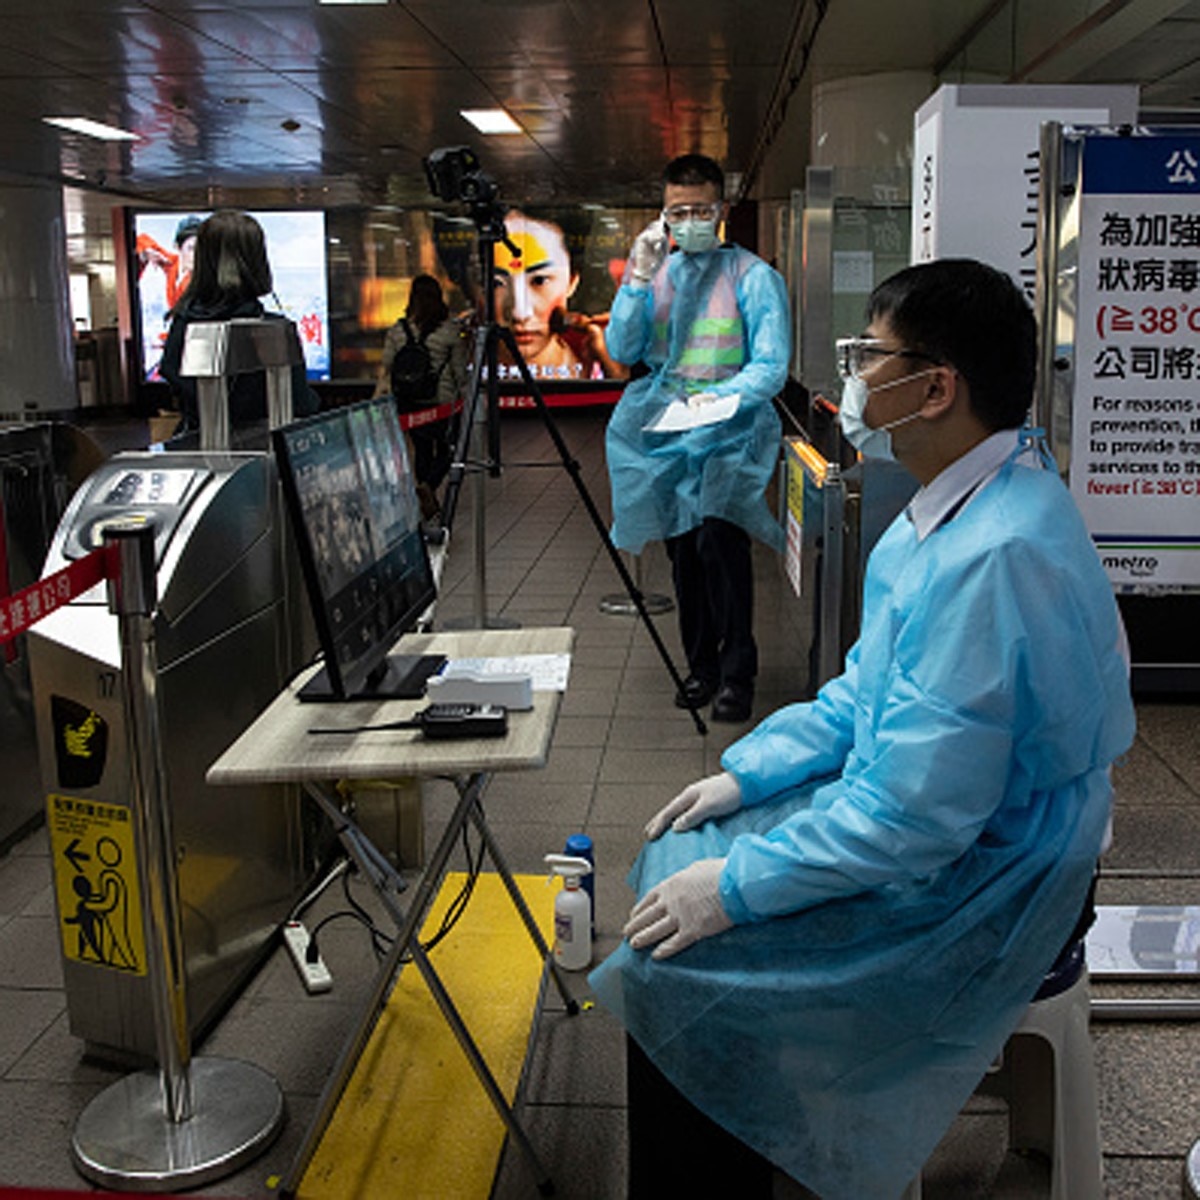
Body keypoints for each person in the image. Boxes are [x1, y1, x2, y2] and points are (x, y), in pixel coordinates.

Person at [590, 258, 1136, 1199]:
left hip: (995, 876)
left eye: (869, 357)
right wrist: (749, 776)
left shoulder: (992, 555)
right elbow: (866, 693)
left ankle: (733, 1144)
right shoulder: (965, 504)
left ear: (935, 388)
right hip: (962, 821)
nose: (850, 377)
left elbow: (916, 821)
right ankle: (763, 1126)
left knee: (673, 969)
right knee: (689, 855)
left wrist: (739, 890)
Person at [603, 153, 790, 723]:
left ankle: (737, 672)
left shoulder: (753, 277)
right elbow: (623, 349)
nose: (689, 221)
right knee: (683, 552)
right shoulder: (658, 276)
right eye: (676, 211)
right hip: (670, 433)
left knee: (719, 543)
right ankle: (700, 665)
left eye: (700, 210)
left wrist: (721, 399)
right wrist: (635, 281)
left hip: (732, 433)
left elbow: (772, 363)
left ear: (722, 209)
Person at [159, 210, 319, 432]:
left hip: (197, 445)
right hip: (262, 449)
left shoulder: (182, 325)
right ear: (256, 261)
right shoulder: (274, 330)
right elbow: (302, 405)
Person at [374, 274, 468, 519]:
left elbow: (387, 368)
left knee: (422, 449)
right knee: (449, 451)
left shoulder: (398, 330)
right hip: (441, 402)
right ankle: (428, 488)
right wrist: (467, 398)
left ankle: (425, 494)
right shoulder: (450, 332)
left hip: (409, 401)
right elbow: (460, 371)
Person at [493, 211, 625, 382]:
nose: (520, 313)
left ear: (572, 281)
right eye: (496, 284)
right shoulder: (457, 354)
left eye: (540, 281)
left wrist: (612, 368)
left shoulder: (597, 348)